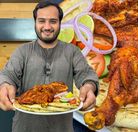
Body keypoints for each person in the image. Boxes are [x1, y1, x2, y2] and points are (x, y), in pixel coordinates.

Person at [0, 1, 99, 132]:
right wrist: (5, 85)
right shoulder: (22, 51)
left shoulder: (72, 51)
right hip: (24, 128)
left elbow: (86, 74)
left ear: (60, 23)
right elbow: (8, 74)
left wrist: (89, 86)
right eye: (42, 21)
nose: (47, 27)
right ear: (35, 23)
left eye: (53, 21)